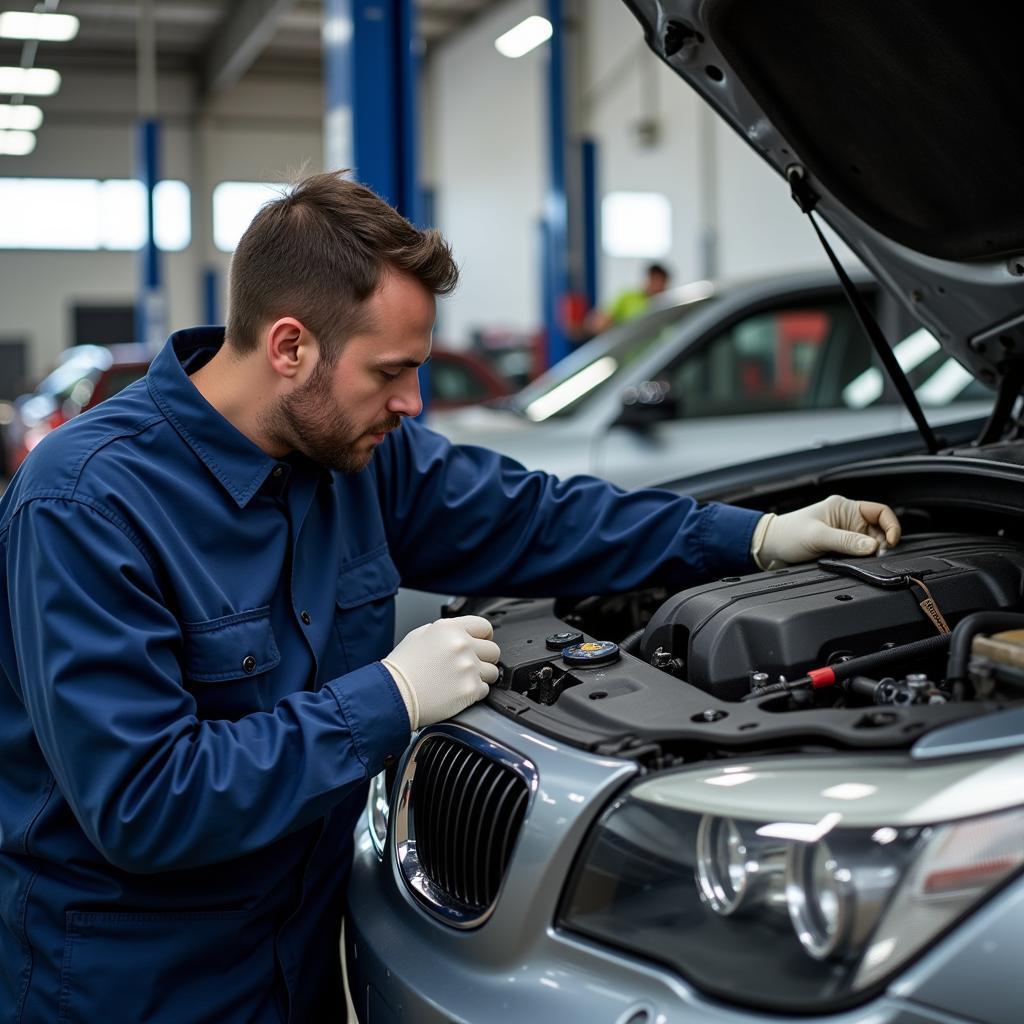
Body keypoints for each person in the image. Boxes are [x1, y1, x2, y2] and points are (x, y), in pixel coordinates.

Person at [0, 172, 901, 1023]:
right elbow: (146, 801)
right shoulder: (87, 503)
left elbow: (537, 516)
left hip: (301, 963)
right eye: (389, 372)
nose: (413, 401)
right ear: (289, 346)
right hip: (134, 984)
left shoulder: (355, 456)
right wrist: (386, 700)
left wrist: (749, 537)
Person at [586, 261, 671, 334]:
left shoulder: (665, 303)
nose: (659, 286)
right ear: (649, 279)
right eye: (657, 281)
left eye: (662, 282)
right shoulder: (627, 297)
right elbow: (602, 321)